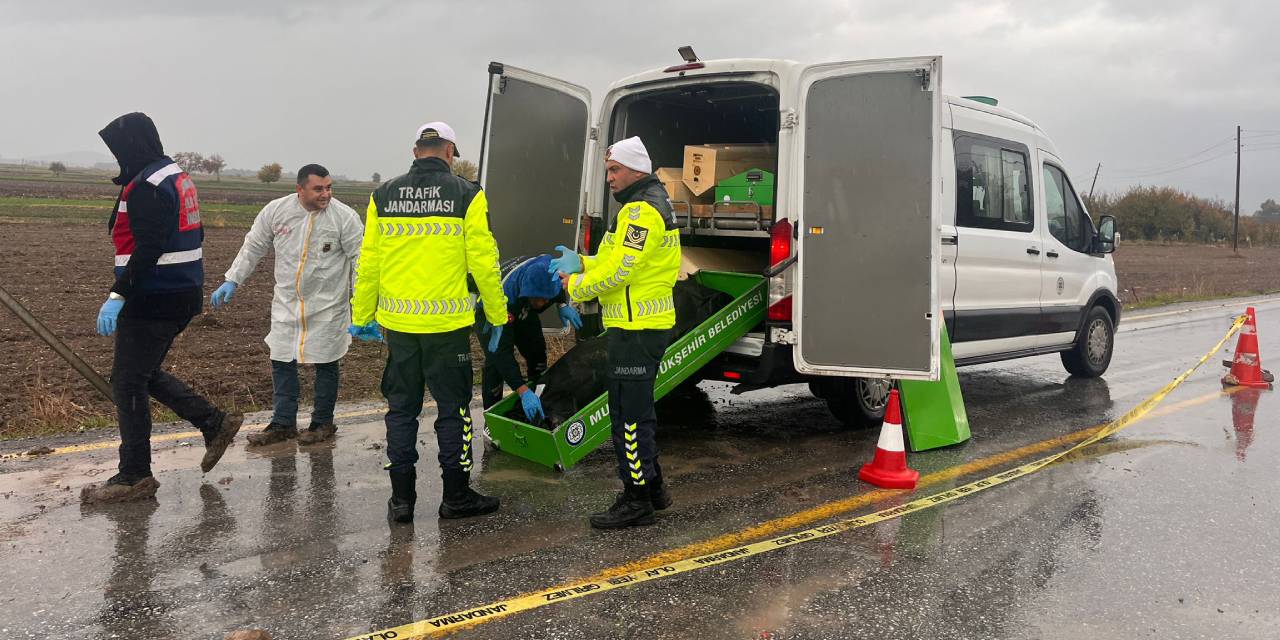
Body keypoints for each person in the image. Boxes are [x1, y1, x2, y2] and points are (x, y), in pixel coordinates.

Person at [349, 122, 509, 523]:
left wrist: (361, 315)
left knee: (401, 412)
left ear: (416, 150)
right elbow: (484, 263)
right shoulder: (467, 193)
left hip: (399, 328)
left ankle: (401, 502)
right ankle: (456, 496)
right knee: (453, 412)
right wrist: (496, 313)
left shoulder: (383, 195)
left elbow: (370, 264)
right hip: (448, 328)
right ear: (450, 151)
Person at [81, 112, 242, 504]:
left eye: (119, 149)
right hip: (177, 293)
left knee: (127, 381)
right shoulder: (172, 175)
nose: (118, 157)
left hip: (154, 297)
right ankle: (212, 422)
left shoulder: (149, 186)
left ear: (134, 145)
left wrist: (119, 294)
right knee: (140, 374)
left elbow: (149, 248)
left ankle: (134, 475)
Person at [550, 136, 681, 529]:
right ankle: (653, 489)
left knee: (629, 418)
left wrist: (575, 286)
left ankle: (636, 499)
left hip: (638, 330)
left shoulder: (643, 213)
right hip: (633, 327)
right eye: (607, 170)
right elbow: (609, 260)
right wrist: (582, 263)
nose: (608, 177)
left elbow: (622, 271)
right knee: (634, 413)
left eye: (614, 170)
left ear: (636, 170)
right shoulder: (634, 208)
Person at [210, 164, 364, 446]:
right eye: (319, 188)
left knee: (326, 361)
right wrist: (232, 279)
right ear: (300, 188)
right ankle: (282, 422)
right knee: (281, 359)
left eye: (329, 187)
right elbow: (254, 245)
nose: (325, 194)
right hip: (287, 303)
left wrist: (362, 305)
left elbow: (359, 261)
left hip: (328, 306)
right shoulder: (276, 211)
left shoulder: (345, 218)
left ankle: (322, 422)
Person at [474, 254, 583, 421]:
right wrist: (522, 391)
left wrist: (562, 304)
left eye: (546, 299)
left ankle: (541, 395)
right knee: (496, 364)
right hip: (493, 314)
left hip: (523, 302)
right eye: (539, 299)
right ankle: (492, 418)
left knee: (536, 349)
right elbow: (502, 354)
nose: (542, 304)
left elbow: (556, 283)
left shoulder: (548, 269)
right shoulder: (502, 300)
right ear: (529, 291)